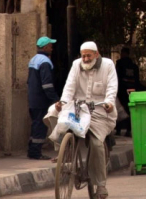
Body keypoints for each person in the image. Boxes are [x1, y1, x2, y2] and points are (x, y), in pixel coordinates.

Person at [55, 42, 117, 199]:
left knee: (96, 144)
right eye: (83, 55)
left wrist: (109, 102)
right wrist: (62, 102)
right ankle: (62, 149)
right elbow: (69, 87)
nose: (86, 58)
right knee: (54, 116)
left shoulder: (108, 65)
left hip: (100, 110)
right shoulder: (76, 65)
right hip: (78, 109)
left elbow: (112, 88)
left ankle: (101, 185)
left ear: (96, 54)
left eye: (89, 55)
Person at [27, 36, 60, 160]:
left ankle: (32, 150)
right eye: (50, 46)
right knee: (40, 126)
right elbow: (47, 84)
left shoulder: (34, 60)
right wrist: (55, 99)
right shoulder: (45, 62)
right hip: (41, 99)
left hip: (33, 98)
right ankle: (35, 153)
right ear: (45, 47)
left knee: (35, 124)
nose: (52, 48)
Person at [115, 47, 141, 136]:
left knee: (119, 109)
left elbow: (116, 77)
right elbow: (137, 80)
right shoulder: (134, 66)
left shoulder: (120, 64)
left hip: (121, 90)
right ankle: (129, 130)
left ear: (123, 53)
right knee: (130, 110)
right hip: (131, 91)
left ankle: (118, 130)